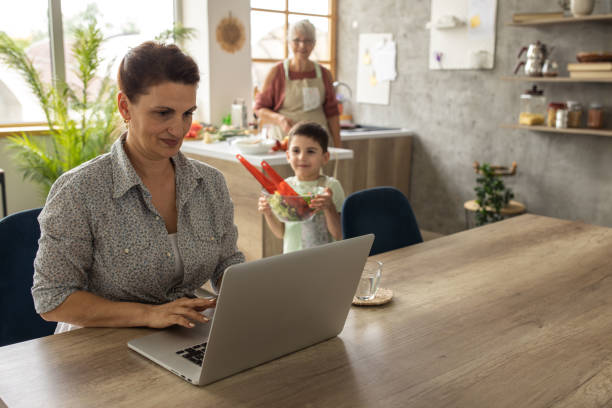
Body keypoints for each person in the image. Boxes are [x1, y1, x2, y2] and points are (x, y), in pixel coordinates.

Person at [32, 41, 244, 333]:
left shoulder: (210, 183)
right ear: (125, 107)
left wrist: (246, 290)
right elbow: (52, 299)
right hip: (98, 343)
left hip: (181, 332)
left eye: (187, 113)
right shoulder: (80, 190)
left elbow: (226, 263)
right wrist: (149, 315)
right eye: (163, 113)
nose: (179, 129)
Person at [258, 121, 345, 253]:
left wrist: (329, 207)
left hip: (323, 261)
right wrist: (268, 213)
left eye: (310, 151)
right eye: (296, 151)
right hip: (291, 260)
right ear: (288, 156)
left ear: (325, 157)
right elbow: (281, 233)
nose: (302, 157)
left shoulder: (331, 187)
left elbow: (338, 234)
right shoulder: (284, 188)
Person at [254, 19, 342, 148]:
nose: (302, 45)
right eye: (297, 40)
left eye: (308, 41)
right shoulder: (276, 73)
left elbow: (332, 114)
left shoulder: (324, 74)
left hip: (318, 145)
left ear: (314, 44)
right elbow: (259, 109)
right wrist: (279, 119)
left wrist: (338, 146)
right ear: (289, 42)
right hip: (285, 144)